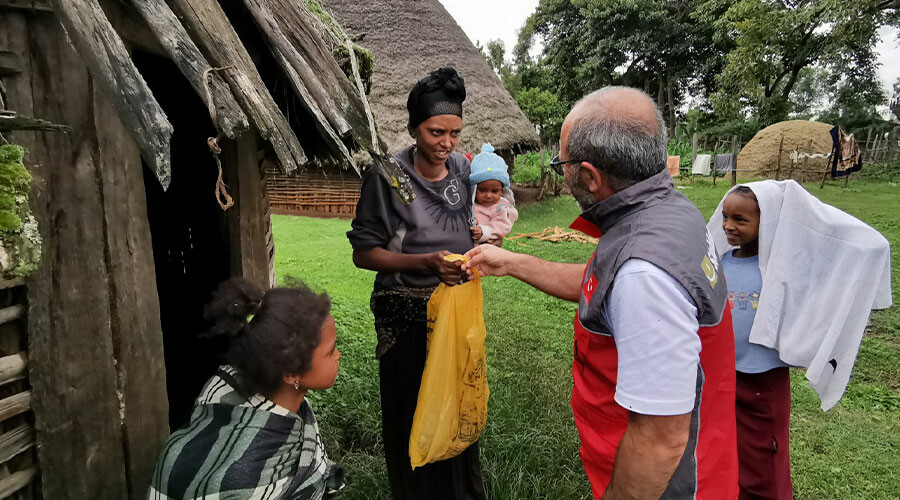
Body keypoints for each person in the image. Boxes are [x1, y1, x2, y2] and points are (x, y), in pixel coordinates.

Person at [463, 86, 739, 499]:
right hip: (702, 456)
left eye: (563, 164)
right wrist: (510, 262)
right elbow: (603, 286)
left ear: (590, 176)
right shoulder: (666, 211)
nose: (562, 172)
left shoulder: (643, 274)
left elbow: (659, 439)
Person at [346, 67, 485, 500]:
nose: (447, 143)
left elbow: (467, 219)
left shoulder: (462, 170)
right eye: (436, 131)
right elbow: (364, 252)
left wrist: (474, 239)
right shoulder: (386, 177)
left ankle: (460, 491)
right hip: (405, 317)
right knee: (413, 409)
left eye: (455, 133)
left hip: (455, 310)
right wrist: (426, 261)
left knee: (457, 403)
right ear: (412, 128)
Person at [149, 278, 344, 500]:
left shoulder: (245, 390)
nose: (338, 355)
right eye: (330, 351)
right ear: (291, 374)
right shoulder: (249, 484)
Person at [718, 186, 792, 500]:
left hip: (765, 381)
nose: (728, 226)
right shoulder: (719, 263)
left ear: (768, 222)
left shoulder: (779, 270)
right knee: (731, 449)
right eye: (725, 217)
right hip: (726, 377)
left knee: (766, 451)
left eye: (740, 219)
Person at [469, 143, 518, 246]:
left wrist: (485, 232)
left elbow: (502, 225)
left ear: (502, 191)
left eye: (494, 191)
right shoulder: (471, 204)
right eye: (482, 190)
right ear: (474, 189)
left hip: (488, 249)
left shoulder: (501, 207)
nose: (488, 195)